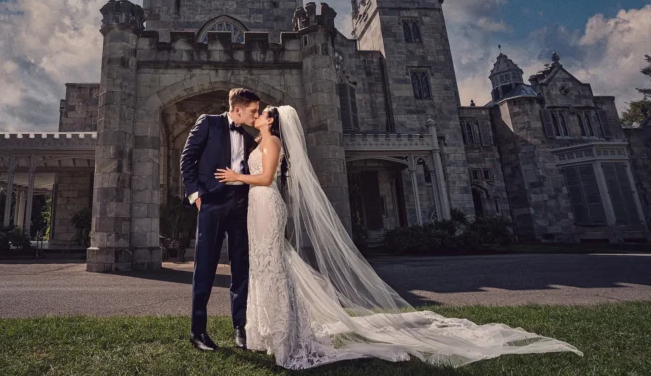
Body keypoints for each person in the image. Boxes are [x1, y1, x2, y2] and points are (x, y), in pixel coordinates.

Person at [215, 105, 583, 369]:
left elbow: (265, 180)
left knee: (275, 265)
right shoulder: (256, 142)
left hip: (266, 202)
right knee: (262, 266)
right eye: (258, 112)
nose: (259, 113)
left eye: (264, 112)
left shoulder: (274, 143)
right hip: (254, 207)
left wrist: (236, 179)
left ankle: (287, 334)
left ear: (273, 122)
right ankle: (264, 330)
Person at [181, 88, 260, 351]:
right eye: (253, 111)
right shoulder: (208, 123)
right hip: (212, 204)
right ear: (238, 109)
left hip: (240, 205)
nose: (256, 115)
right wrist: (196, 196)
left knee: (241, 267)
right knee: (205, 267)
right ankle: (198, 332)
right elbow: (187, 159)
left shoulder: (249, 137)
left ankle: (241, 329)